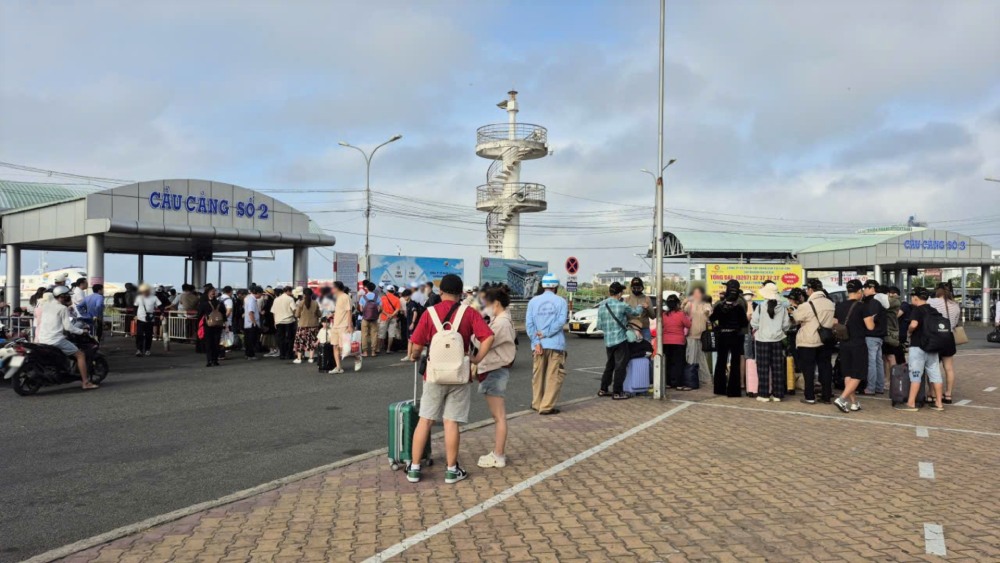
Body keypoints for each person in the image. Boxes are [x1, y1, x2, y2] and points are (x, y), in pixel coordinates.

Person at [407, 274, 494, 484]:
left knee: (425, 420)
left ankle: (415, 468)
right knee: (451, 422)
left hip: (434, 375)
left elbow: (417, 346)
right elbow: (488, 336)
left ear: (441, 291)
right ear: (460, 292)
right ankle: (452, 470)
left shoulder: (429, 313)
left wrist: (414, 356)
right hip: (459, 376)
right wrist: (476, 358)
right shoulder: (469, 313)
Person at [474, 286, 517, 469]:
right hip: (495, 369)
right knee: (497, 415)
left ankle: (498, 455)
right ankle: (498, 453)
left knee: (499, 416)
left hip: (495, 369)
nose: (486, 307)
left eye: (488, 303)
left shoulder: (500, 323)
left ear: (496, 303)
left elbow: (483, 341)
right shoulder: (499, 320)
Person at [525, 273, 568, 414]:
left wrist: (536, 341)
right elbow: (561, 322)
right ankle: (546, 406)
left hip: (538, 346)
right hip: (555, 344)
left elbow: (529, 325)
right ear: (555, 286)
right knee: (553, 376)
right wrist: (547, 333)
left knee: (537, 375)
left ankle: (536, 404)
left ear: (542, 285)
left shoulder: (533, 302)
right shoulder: (561, 301)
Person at [38, 286, 97, 390]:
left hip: (42, 339)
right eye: (68, 296)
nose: (69, 298)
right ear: (62, 297)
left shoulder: (46, 306)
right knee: (80, 355)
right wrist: (82, 331)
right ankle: (85, 382)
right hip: (55, 340)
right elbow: (68, 327)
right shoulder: (62, 308)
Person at [899, 287, 945, 411]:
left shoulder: (917, 310)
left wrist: (909, 331)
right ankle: (939, 403)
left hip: (918, 346)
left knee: (915, 374)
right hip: (933, 346)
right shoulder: (934, 310)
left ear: (915, 297)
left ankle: (911, 403)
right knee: (935, 375)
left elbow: (913, 324)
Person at [790, 279, 835, 404]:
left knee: (808, 369)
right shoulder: (830, 303)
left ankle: (809, 396)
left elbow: (797, 318)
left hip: (808, 341)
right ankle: (826, 396)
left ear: (810, 290)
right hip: (825, 340)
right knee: (825, 368)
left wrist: (794, 311)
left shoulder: (807, 305)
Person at [750, 282, 791, 402]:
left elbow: (754, 323)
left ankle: (763, 394)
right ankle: (777, 394)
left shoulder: (760, 307)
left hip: (762, 339)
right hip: (777, 340)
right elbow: (786, 325)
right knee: (777, 368)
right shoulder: (782, 308)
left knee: (763, 368)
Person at [833, 280, 868, 413]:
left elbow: (834, 323)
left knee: (848, 373)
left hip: (844, 343)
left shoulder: (839, 306)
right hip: (858, 343)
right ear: (859, 292)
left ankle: (854, 403)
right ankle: (841, 399)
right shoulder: (862, 307)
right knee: (858, 374)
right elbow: (870, 326)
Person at [711, 281, 749, 397]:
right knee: (735, 362)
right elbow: (744, 322)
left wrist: (718, 327)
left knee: (721, 361)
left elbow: (712, 318)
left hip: (722, 335)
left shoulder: (719, 305)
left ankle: (719, 388)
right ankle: (733, 390)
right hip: (736, 336)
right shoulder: (740, 306)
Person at [597, 282, 633, 400]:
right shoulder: (622, 305)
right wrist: (641, 307)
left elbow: (599, 326)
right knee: (620, 367)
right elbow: (636, 313)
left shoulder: (602, 306)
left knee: (610, 365)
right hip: (621, 340)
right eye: (621, 292)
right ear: (619, 293)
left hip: (608, 341)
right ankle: (617, 392)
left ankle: (603, 389)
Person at [928, 283, 960, 404]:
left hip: (935, 337)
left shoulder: (932, 301)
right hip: (949, 337)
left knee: (932, 366)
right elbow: (955, 322)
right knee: (949, 368)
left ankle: (932, 394)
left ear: (937, 291)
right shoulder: (955, 305)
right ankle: (948, 394)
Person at [860, 280, 887, 395]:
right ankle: (879, 387)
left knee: (871, 362)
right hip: (879, 335)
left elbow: (871, 318)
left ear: (871, 288)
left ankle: (871, 387)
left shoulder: (873, 301)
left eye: (865, 288)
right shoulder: (882, 300)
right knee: (878, 362)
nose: (864, 291)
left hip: (871, 334)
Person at [683, 287, 713, 386]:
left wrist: (708, 311)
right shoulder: (689, 304)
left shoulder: (706, 305)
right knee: (691, 357)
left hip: (702, 336)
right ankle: (691, 378)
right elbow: (683, 311)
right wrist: (684, 302)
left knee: (701, 358)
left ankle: (704, 378)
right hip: (691, 335)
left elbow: (709, 312)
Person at [328, 281, 361, 373]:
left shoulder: (345, 297)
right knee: (335, 346)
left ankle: (357, 357)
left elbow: (349, 311)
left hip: (344, 325)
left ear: (336, 288)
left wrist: (350, 325)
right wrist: (333, 315)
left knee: (345, 348)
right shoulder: (338, 298)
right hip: (335, 325)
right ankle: (338, 367)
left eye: (332, 287)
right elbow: (341, 311)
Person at [660, 294, 691, 389]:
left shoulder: (663, 315)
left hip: (665, 342)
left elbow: (661, 326)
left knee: (668, 362)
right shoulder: (681, 314)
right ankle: (679, 384)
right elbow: (688, 325)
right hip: (678, 342)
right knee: (679, 363)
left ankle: (668, 383)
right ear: (677, 303)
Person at [199, 286, 226, 367]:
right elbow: (224, 314)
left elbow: (199, 314)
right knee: (216, 342)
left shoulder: (204, 304)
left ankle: (209, 360)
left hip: (208, 325)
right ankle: (215, 360)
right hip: (218, 325)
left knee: (209, 343)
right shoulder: (220, 303)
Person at [293, 288, 321, 364]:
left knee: (300, 342)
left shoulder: (300, 303)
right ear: (312, 294)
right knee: (312, 341)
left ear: (304, 295)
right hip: (313, 325)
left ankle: (299, 358)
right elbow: (319, 314)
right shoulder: (315, 303)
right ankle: (311, 358)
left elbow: (297, 315)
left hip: (302, 325)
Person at [271, 286, 297, 360]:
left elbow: (273, 312)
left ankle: (282, 354)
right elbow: (294, 309)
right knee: (290, 338)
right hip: (289, 321)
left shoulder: (276, 299)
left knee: (281, 338)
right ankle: (289, 354)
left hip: (278, 321)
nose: (291, 293)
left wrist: (275, 321)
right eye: (291, 291)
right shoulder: (290, 299)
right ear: (288, 291)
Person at [134, 283, 159, 357]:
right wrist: (135, 315)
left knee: (148, 335)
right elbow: (135, 307)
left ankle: (147, 350)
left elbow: (159, 306)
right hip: (140, 319)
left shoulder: (154, 298)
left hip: (149, 320)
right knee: (139, 335)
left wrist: (162, 314)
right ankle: (139, 350)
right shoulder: (139, 298)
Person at [358, 282, 382, 357]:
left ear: (367, 288)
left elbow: (361, 309)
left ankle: (365, 352)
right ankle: (373, 352)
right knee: (374, 335)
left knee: (364, 335)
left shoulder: (363, 297)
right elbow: (380, 308)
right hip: (374, 319)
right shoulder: (377, 297)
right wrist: (376, 314)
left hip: (365, 319)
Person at [380, 286, 403, 354]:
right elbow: (398, 309)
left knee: (381, 334)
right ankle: (388, 349)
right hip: (393, 318)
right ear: (394, 291)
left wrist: (387, 314)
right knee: (391, 334)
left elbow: (380, 308)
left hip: (384, 317)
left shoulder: (383, 298)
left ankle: (380, 348)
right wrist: (392, 315)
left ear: (387, 290)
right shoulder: (397, 299)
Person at [243, 286, 262, 360]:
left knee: (248, 340)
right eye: (261, 293)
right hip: (252, 323)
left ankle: (248, 354)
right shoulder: (252, 300)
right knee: (252, 340)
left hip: (247, 323)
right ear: (257, 293)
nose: (261, 295)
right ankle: (251, 355)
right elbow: (251, 312)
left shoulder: (248, 298)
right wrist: (254, 322)